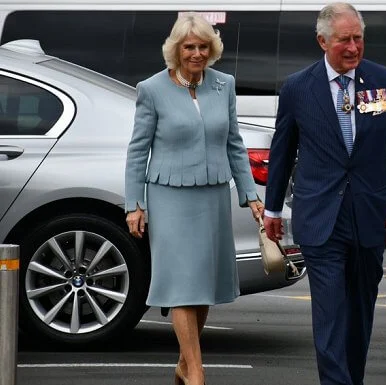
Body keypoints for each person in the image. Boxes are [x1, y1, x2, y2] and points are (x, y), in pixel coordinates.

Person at [264, 3, 386, 385]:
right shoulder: (299, 87)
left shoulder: (385, 82)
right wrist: (272, 210)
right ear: (322, 41)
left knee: (360, 313)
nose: (353, 47)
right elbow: (282, 153)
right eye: (344, 39)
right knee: (330, 312)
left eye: (358, 38)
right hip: (320, 217)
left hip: (370, 214)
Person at [124, 12, 263, 385]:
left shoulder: (224, 84)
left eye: (203, 46)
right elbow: (138, 151)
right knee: (184, 283)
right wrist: (134, 204)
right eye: (190, 47)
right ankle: (198, 373)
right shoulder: (151, 88)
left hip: (213, 195)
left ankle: (185, 365)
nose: (197, 53)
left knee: (202, 285)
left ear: (212, 49)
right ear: (176, 49)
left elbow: (234, 143)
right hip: (169, 197)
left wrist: (251, 195)